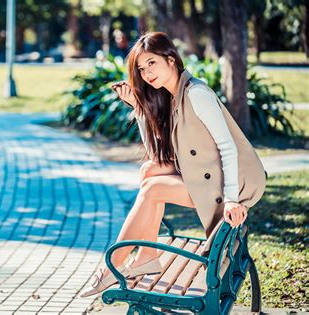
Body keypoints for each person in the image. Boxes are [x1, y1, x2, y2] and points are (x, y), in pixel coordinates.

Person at [80, 32, 266, 297]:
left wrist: (232, 199)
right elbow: (156, 154)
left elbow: (229, 146)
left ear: (170, 59)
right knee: (149, 171)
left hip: (227, 182)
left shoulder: (196, 94)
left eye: (151, 64)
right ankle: (146, 255)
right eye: (141, 69)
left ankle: (113, 267)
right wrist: (139, 110)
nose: (146, 74)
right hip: (206, 173)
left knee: (152, 189)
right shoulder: (172, 96)